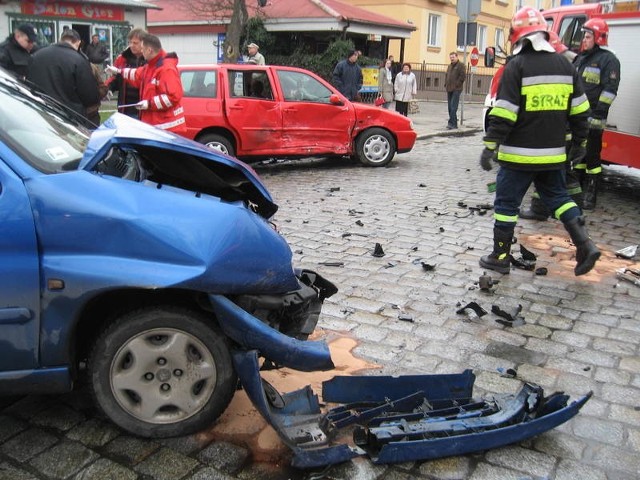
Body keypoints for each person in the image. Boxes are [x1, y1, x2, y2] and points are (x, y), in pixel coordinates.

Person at [479, 6, 599, 277]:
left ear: (519, 36)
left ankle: (499, 256)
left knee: (507, 205)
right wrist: (579, 144)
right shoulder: (566, 66)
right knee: (559, 197)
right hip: (553, 156)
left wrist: (490, 145)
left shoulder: (516, 66)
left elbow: (505, 112)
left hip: (517, 156)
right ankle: (585, 244)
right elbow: (581, 112)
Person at [520, 31, 584, 221]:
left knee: (552, 173)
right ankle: (572, 210)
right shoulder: (568, 65)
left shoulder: (556, 68)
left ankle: (559, 210)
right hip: (562, 131)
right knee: (559, 172)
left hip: (557, 133)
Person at [573, 18, 621, 210]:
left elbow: (610, 90)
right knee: (576, 156)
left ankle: (591, 194)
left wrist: (598, 115)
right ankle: (575, 192)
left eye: (587, 36)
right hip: (577, 117)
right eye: (584, 36)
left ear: (598, 37)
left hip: (594, 118)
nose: (584, 40)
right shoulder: (581, 58)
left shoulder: (609, 60)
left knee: (592, 157)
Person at [106, 33, 186, 134]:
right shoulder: (152, 65)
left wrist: (149, 104)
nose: (141, 50)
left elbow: (173, 97)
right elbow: (137, 74)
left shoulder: (166, 69)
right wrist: (118, 71)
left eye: (143, 48)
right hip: (157, 126)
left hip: (167, 128)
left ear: (149, 50)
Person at [27, 29, 100, 121]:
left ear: (61, 39)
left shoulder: (36, 56)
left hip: (40, 112)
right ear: (78, 42)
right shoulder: (79, 60)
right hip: (69, 116)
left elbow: (28, 83)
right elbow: (90, 97)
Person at [107, 28, 147, 118]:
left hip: (144, 108)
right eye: (130, 42)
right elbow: (115, 77)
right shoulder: (122, 59)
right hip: (125, 108)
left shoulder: (150, 60)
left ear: (144, 43)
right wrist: (109, 88)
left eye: (135, 43)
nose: (131, 45)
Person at [444, 51, 466, 129]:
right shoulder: (450, 66)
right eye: (451, 57)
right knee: (450, 107)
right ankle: (454, 123)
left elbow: (462, 76)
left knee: (453, 106)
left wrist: (457, 84)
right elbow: (447, 75)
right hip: (449, 88)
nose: (452, 59)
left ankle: (451, 123)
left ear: (457, 57)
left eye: (453, 57)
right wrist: (445, 84)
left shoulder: (461, 65)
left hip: (457, 89)